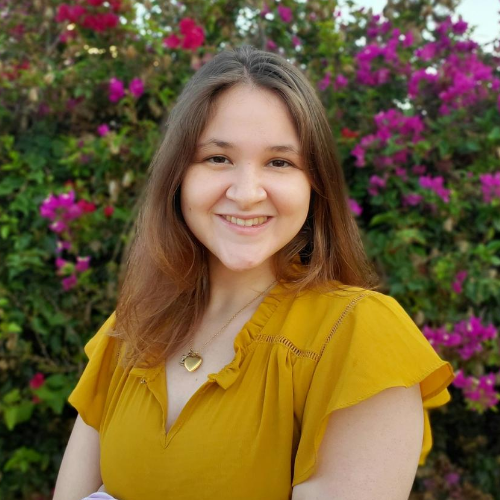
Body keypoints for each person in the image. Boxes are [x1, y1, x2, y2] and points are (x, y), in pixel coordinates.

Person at [53, 44, 455, 500]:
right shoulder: (130, 330)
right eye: (217, 158)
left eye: (279, 162)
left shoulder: (359, 336)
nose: (246, 193)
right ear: (178, 178)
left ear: (314, 185)